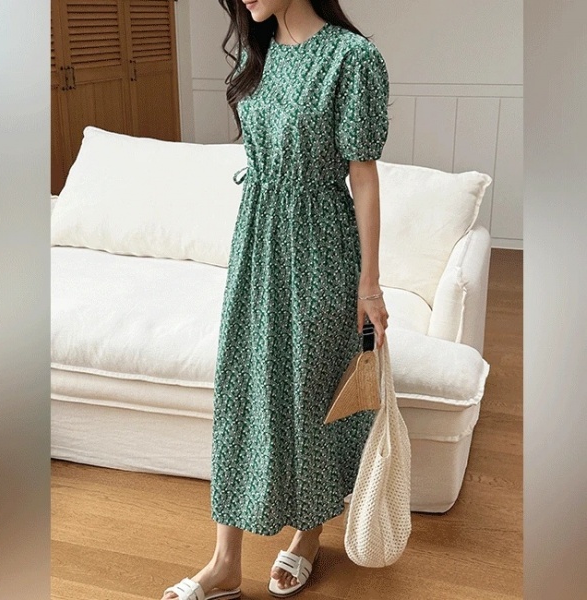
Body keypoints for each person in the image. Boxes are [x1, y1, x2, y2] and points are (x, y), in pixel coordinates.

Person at [161, 1, 390, 598]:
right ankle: (224, 563)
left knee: (311, 390)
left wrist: (369, 284)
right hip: (257, 239)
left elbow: (363, 175)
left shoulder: (351, 58)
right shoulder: (257, 50)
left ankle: (308, 535)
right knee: (243, 387)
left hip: (320, 245)